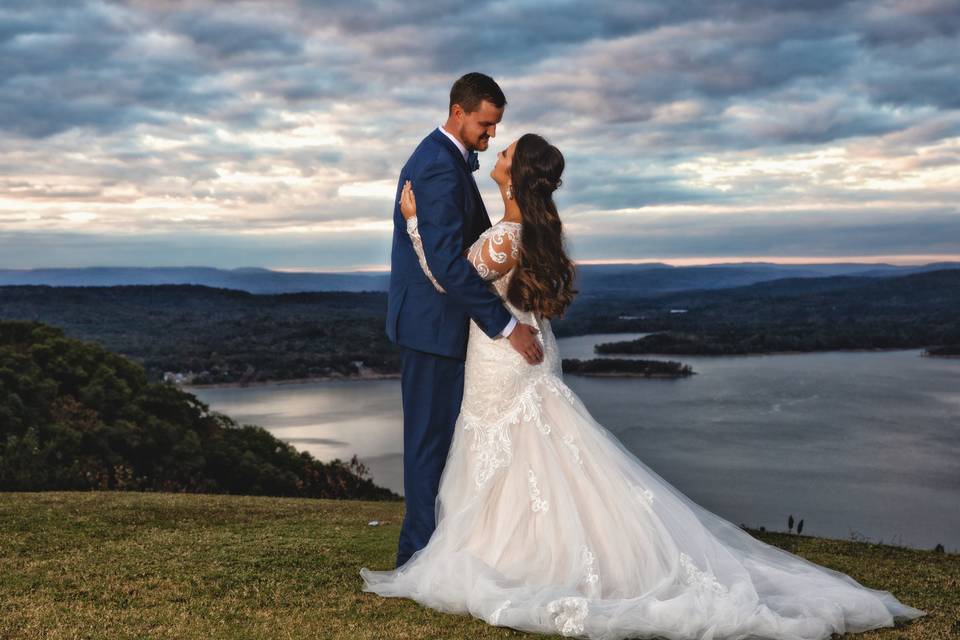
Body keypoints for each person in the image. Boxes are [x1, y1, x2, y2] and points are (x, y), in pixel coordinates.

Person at [361, 132, 927, 639]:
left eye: (505, 151)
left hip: (502, 359)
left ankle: (509, 556)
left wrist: (413, 223)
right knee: (536, 457)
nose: (497, 149)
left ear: (515, 174)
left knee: (510, 454)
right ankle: (522, 546)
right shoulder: (532, 229)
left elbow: (446, 275)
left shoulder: (507, 235)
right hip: (523, 356)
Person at [384, 72, 545, 569]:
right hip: (432, 329)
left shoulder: (449, 162)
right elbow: (449, 265)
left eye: (496, 128)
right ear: (459, 111)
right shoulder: (436, 166)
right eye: (486, 124)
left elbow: (466, 255)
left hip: (445, 327)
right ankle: (417, 556)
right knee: (428, 446)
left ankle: (448, 547)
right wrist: (506, 326)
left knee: (445, 445)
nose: (491, 136)